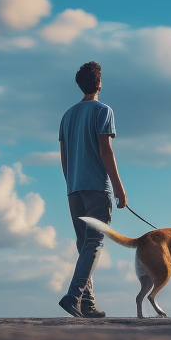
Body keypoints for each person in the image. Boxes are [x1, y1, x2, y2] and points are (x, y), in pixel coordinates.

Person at [57, 60, 128, 318]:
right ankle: (74, 296)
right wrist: (119, 188)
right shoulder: (103, 111)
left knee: (84, 245)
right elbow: (105, 150)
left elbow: (64, 157)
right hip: (97, 188)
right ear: (99, 83)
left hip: (73, 189)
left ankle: (87, 304)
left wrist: (71, 184)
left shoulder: (67, 116)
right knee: (94, 243)